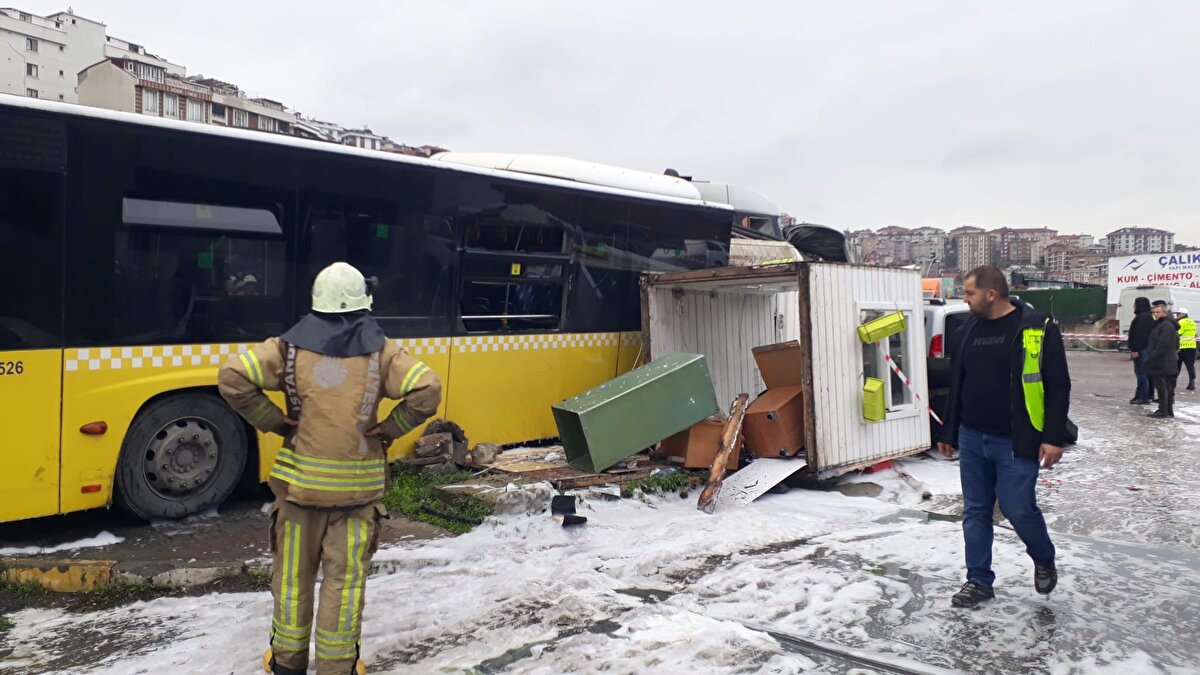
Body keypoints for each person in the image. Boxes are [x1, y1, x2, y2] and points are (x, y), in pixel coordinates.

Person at [219, 262, 442, 675]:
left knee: (292, 582)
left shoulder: (286, 349)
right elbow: (427, 388)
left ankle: (286, 665)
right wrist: (389, 429)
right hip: (356, 500)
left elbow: (232, 376)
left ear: (315, 303)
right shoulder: (383, 352)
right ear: (363, 305)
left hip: (298, 494)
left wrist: (272, 420)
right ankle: (337, 669)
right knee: (343, 585)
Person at [937, 265, 1070, 608]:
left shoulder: (1036, 328)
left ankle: (1043, 556)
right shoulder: (968, 330)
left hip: (1015, 440)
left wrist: (1053, 436)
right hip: (971, 436)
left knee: (1017, 508)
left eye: (969, 293)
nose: (965, 300)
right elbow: (958, 382)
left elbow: (1057, 385)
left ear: (991, 294)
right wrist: (949, 430)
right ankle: (978, 581)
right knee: (975, 511)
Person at [1146, 301, 1179, 418]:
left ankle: (1163, 410)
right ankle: (1168, 410)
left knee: (1162, 386)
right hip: (1166, 360)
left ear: (1164, 313)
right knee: (1167, 386)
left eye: (1157, 312)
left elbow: (1163, 344)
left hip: (1162, 361)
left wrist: (1153, 356)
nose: (1155, 314)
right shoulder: (1163, 324)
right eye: (1154, 312)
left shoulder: (1166, 325)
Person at [1127, 296, 1155, 405]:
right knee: (1146, 373)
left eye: (1135, 304)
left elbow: (1139, 335)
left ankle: (1143, 396)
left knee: (1141, 373)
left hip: (1142, 349)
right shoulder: (1149, 316)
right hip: (1148, 348)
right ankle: (1146, 394)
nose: (1133, 306)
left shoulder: (1142, 318)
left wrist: (1135, 349)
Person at [1177, 307, 1197, 392]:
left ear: (1183, 314)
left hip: (1181, 348)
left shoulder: (1181, 322)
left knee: (1176, 366)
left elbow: (1178, 333)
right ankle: (1192, 383)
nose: (1177, 315)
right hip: (1192, 346)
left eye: (1178, 313)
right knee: (1190, 366)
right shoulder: (1192, 321)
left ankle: (1173, 383)